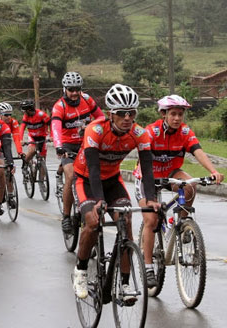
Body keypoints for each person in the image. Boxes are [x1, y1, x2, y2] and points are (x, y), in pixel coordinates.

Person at [72, 84, 159, 300]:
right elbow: (92, 169)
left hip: (112, 181)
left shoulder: (140, 133)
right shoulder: (96, 130)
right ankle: (81, 270)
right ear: (111, 114)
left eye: (132, 113)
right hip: (86, 181)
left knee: (126, 222)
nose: (127, 117)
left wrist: (151, 200)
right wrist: (99, 201)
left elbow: (147, 169)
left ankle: (125, 284)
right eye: (122, 113)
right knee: (92, 222)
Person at [135, 94, 224, 288]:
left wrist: (213, 171)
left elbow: (198, 151)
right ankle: (149, 267)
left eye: (180, 114)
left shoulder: (185, 132)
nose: (177, 118)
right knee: (151, 220)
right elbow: (143, 159)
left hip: (171, 173)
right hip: (148, 176)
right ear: (163, 114)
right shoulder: (151, 131)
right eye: (173, 114)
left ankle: (183, 223)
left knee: (190, 185)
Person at [51, 71, 105, 233]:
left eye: (77, 89)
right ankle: (66, 217)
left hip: (85, 144)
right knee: (72, 175)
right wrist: (59, 146)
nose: (74, 93)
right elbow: (55, 128)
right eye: (71, 90)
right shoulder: (59, 106)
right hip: (67, 146)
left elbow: (101, 118)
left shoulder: (87, 100)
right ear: (64, 89)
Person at [19, 99, 51, 171]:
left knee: (42, 158)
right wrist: (20, 139)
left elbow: (51, 124)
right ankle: (25, 166)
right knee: (32, 151)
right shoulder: (26, 116)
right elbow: (22, 128)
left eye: (24, 110)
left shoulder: (41, 115)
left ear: (29, 110)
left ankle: (41, 181)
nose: (23, 112)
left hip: (42, 137)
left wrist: (51, 136)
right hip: (32, 137)